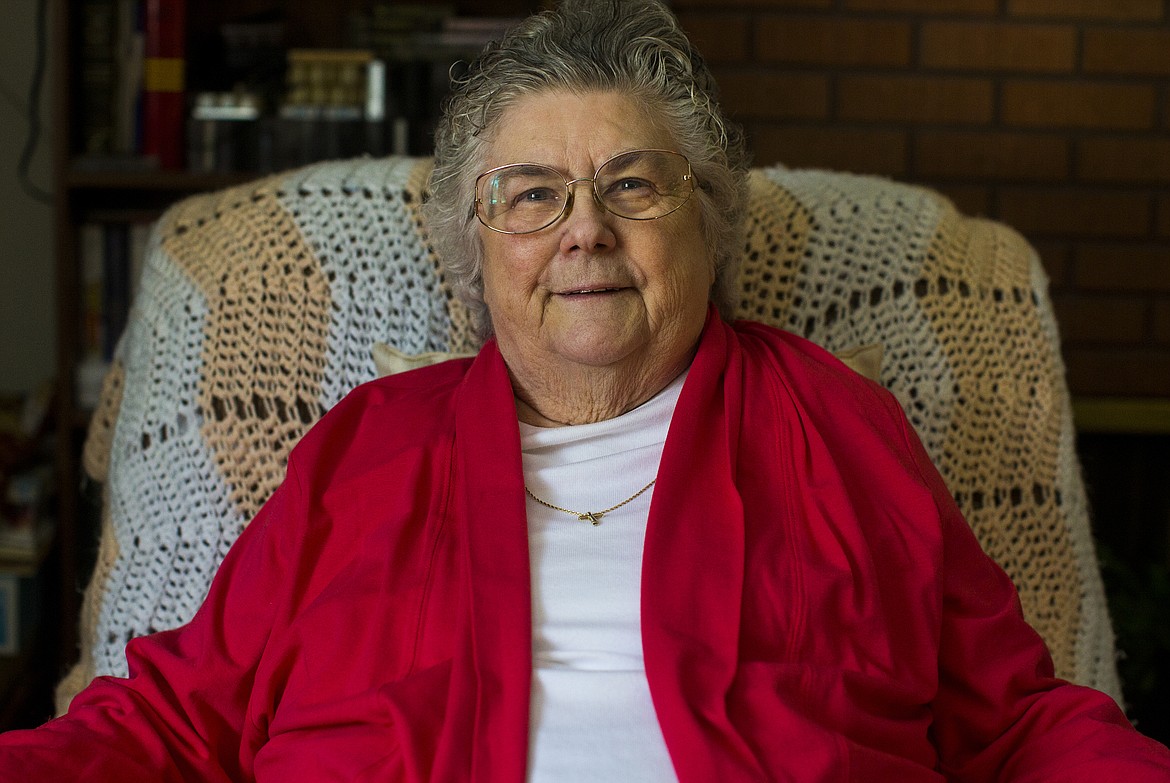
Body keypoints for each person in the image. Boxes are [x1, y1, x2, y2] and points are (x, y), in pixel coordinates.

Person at [4, 0, 1170, 780]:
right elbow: (171, 717)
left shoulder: (837, 425)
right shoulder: (365, 448)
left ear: (708, 222)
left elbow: (1018, 723)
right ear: (479, 246)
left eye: (632, 185)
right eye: (532, 195)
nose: (585, 233)